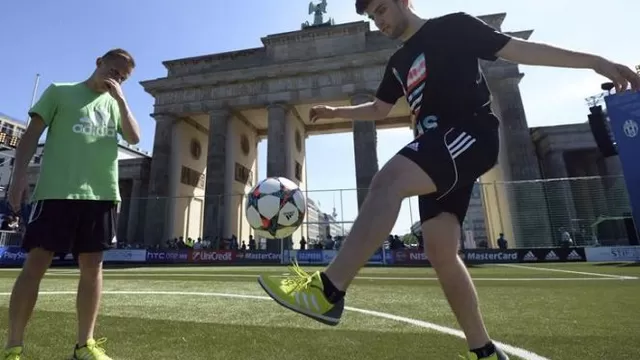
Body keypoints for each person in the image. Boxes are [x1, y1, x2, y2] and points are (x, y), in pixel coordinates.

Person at [257, 1, 640, 359]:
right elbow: (379, 108)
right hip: (436, 149)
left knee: (387, 182)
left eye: (382, 9)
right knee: (440, 252)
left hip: (469, 134)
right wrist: (333, 110)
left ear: (404, 0)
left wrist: (596, 61)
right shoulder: (398, 61)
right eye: (373, 16)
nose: (380, 21)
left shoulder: (454, 26)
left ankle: (328, 291)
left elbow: (521, 49)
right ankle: (485, 350)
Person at [2, 48, 141, 360]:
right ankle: (13, 346)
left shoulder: (116, 104)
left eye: (122, 77)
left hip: (101, 195)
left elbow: (134, 137)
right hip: (56, 192)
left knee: (93, 269)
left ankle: (84, 345)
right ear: (98, 62)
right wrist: (18, 177)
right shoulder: (60, 92)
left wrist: (121, 100)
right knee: (35, 265)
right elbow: (30, 136)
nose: (115, 78)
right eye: (113, 70)